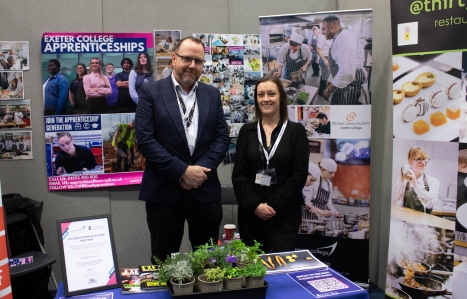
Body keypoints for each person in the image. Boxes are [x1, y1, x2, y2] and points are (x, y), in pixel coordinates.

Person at [135, 37, 230, 262]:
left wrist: (199, 171)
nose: (192, 65)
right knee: (164, 260)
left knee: (209, 261)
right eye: (187, 59)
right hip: (164, 192)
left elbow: (222, 138)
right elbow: (145, 141)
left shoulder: (211, 94)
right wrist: (182, 172)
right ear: (174, 59)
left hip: (204, 191)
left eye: (198, 61)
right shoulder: (151, 92)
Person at [232, 74, 309, 253]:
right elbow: (239, 174)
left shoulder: (296, 132)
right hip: (251, 214)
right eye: (261, 95)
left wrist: (273, 205)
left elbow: (299, 175)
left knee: (279, 269)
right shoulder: (247, 131)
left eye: (271, 94)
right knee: (252, 269)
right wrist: (256, 206)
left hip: (284, 214)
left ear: (281, 97)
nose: (266, 99)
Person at [321, 15, 367, 105]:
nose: (322, 32)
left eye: (323, 29)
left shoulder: (345, 37)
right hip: (343, 82)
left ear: (331, 27)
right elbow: (338, 62)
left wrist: (329, 89)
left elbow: (347, 71)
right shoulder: (339, 37)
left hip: (350, 84)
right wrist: (331, 78)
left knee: (344, 115)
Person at [392, 146, 439, 214]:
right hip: (404, 222)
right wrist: (400, 181)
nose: (424, 162)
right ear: (410, 161)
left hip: (423, 223)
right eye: (419, 159)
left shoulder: (433, 181)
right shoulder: (405, 181)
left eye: (425, 159)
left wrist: (415, 185)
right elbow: (393, 200)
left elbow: (430, 204)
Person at [316, 29, 332, 96]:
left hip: (330, 57)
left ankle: (322, 91)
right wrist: (324, 59)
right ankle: (322, 92)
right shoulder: (322, 37)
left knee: (326, 75)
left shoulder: (332, 38)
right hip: (324, 57)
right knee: (325, 76)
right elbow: (318, 49)